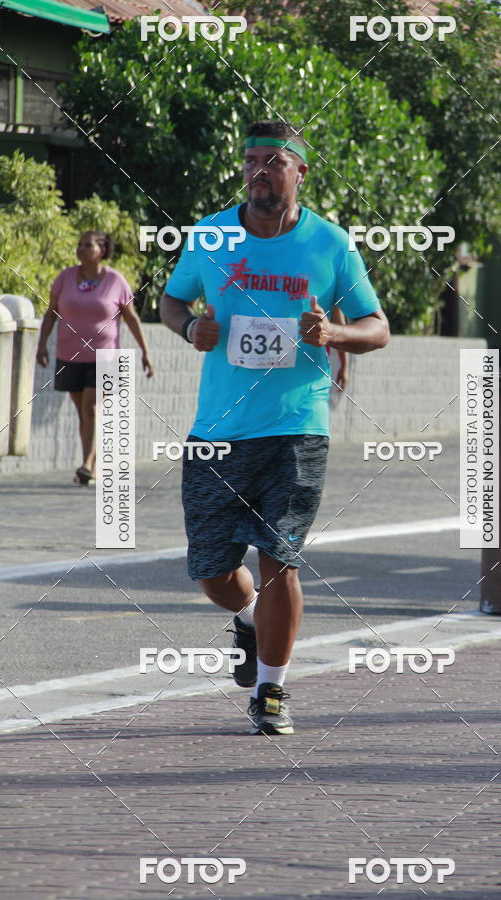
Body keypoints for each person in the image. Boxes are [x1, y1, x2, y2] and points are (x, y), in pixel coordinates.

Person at [160, 120, 389, 735]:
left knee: (279, 556)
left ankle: (272, 692)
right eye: (252, 161)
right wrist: (188, 329)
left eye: (275, 162)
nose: (260, 172)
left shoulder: (332, 245)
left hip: (297, 427)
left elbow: (377, 327)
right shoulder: (210, 235)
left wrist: (335, 334)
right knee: (210, 570)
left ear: (300, 172)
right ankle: (250, 619)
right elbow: (170, 300)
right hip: (218, 430)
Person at [36, 230, 154, 484]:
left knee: (90, 408)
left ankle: (87, 464)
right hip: (69, 355)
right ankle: (93, 465)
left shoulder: (115, 280)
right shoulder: (65, 278)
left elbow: (131, 318)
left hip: (106, 356)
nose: (81, 249)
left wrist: (145, 352)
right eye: (79, 244)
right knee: (84, 413)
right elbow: (50, 313)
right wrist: (42, 345)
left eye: (87, 245)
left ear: (101, 250)